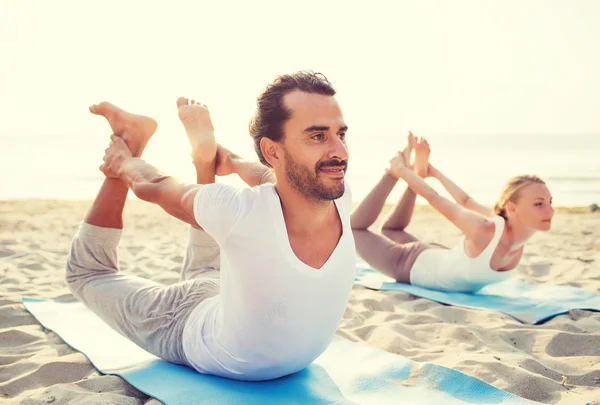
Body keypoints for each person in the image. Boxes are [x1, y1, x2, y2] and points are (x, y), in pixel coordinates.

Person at [66, 71, 356, 381]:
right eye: (317, 136)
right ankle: (135, 139)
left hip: (222, 295)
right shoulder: (246, 212)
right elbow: (152, 184)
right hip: (181, 318)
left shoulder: (333, 193)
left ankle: (203, 160)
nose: (339, 151)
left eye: (341, 134)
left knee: (214, 241)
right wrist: (121, 162)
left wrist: (229, 159)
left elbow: (271, 176)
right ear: (272, 151)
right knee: (86, 273)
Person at [351, 132, 554, 292]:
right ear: (512, 208)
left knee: (391, 229)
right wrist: (400, 171)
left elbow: (466, 201)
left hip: (436, 255)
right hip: (409, 265)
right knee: (354, 230)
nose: (550, 210)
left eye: (550, 202)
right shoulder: (483, 230)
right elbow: (434, 198)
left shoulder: (508, 225)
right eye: (539, 204)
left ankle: (416, 172)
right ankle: (391, 172)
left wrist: (433, 173)